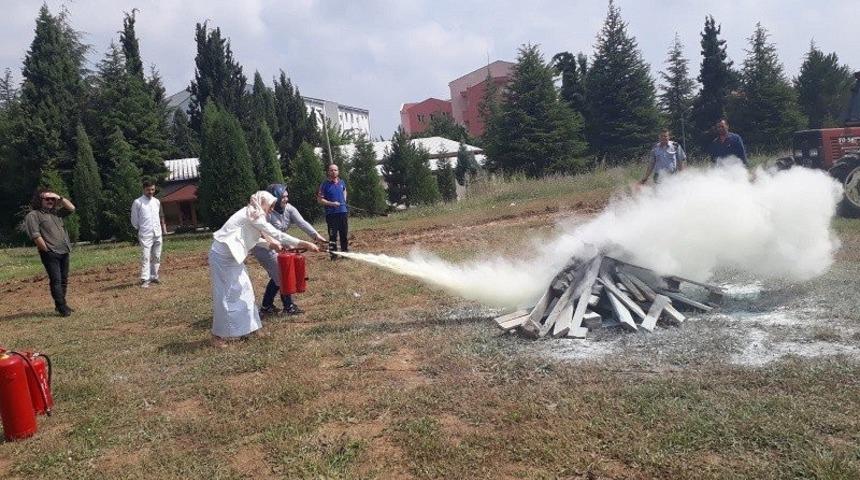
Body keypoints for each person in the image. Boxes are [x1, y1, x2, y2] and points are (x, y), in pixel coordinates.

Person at [208, 191, 319, 347]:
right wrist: (304, 243)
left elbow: (249, 236)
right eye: (271, 206)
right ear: (263, 203)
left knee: (246, 291)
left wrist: (269, 244)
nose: (272, 210)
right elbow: (276, 234)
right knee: (225, 297)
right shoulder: (254, 215)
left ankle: (252, 329)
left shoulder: (252, 213)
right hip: (222, 258)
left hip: (232, 258)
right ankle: (217, 336)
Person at [252, 184, 326, 316]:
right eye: (283, 197)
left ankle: (266, 306)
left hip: (278, 243)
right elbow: (265, 234)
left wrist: (316, 235)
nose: (286, 199)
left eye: (287, 196)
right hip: (263, 247)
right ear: (275, 198)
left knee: (278, 274)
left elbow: (301, 222)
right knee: (282, 273)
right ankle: (288, 307)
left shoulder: (289, 208)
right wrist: (287, 244)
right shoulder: (266, 212)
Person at [23, 189, 76, 317]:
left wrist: (59, 197)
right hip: (50, 253)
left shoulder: (56, 213)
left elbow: (72, 208)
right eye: (47, 199)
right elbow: (35, 235)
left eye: (52, 199)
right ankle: (62, 307)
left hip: (64, 250)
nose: (50, 201)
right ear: (39, 200)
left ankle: (61, 304)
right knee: (56, 280)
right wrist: (46, 249)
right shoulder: (33, 215)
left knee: (63, 280)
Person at [130, 180, 167, 288]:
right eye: (148, 190)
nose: (150, 192)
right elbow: (134, 219)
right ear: (143, 189)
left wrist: (161, 229)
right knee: (145, 257)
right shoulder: (138, 202)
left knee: (156, 256)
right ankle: (145, 279)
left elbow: (159, 216)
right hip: (145, 234)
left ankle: (154, 276)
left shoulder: (156, 202)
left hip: (157, 233)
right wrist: (140, 228)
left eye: (152, 189)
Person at [317, 164, 349, 260]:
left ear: (338, 171)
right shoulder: (324, 184)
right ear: (328, 172)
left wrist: (344, 200)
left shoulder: (342, 182)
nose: (333, 172)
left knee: (344, 235)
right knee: (333, 236)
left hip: (343, 212)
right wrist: (332, 203)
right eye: (331, 170)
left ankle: (345, 254)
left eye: (335, 170)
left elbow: (344, 190)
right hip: (331, 214)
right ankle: (333, 256)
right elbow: (320, 200)